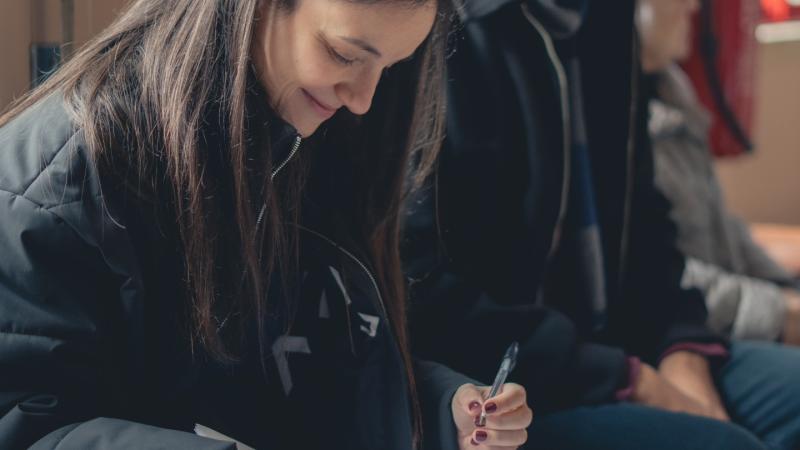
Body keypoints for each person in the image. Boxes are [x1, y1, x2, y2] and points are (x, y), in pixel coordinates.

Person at [0, 1, 532, 449]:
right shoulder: (59, 181)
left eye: (390, 67)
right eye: (344, 54)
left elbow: (300, 363)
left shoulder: (301, 143)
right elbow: (27, 428)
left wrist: (440, 409)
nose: (363, 100)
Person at [404, 0, 800, 449]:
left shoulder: (606, 18)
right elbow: (426, 299)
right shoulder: (437, 33)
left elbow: (647, 221)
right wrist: (631, 380)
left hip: (624, 346)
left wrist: (683, 350)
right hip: (515, 386)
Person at [640, 0, 800, 345]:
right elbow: (663, 278)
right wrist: (780, 313)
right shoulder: (612, 130)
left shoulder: (673, 89)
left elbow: (724, 228)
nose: (693, 6)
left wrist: (787, 289)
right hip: (691, 332)